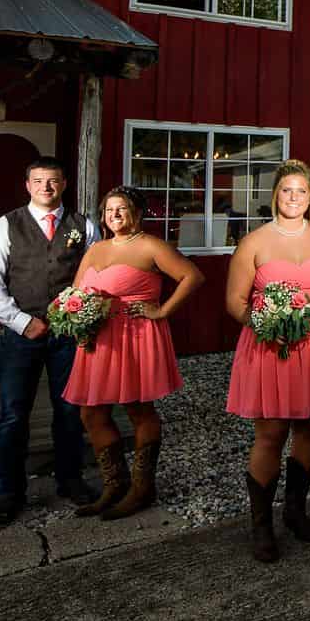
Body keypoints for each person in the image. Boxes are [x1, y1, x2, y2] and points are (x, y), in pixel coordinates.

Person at [224, 159, 310, 562]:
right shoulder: (254, 242)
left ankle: (296, 509)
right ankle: (262, 525)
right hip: (270, 342)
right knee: (271, 433)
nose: (293, 197)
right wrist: (261, 323)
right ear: (274, 195)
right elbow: (234, 302)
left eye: (301, 191)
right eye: (285, 190)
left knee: (309, 427)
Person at [62, 186, 204, 519]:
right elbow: (78, 293)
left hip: (133, 334)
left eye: (122, 209)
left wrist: (162, 311)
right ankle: (115, 484)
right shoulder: (96, 249)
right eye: (109, 210)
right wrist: (77, 324)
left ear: (136, 212)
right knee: (91, 414)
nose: (115, 215)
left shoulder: (150, 245)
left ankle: (142, 488)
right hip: (97, 337)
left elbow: (192, 276)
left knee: (137, 408)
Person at [0, 156, 101, 528]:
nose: (46, 187)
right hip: (21, 335)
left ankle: (70, 480)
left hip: (68, 334)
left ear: (64, 184)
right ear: (27, 185)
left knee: (68, 411)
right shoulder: (6, 226)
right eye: (38, 181)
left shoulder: (83, 226)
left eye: (53, 181)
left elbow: (94, 276)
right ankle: (9, 492)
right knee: (14, 414)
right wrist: (20, 321)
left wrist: (79, 317)